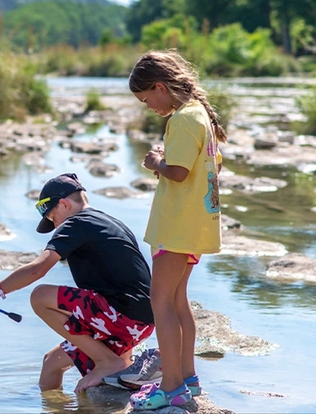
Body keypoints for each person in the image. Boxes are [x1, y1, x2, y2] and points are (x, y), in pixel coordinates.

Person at [0, 173, 155, 394]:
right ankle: (107, 372)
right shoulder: (108, 221)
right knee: (52, 362)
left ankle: (108, 362)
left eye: (53, 218)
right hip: (140, 321)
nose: (54, 225)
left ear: (64, 204)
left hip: (120, 313)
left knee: (40, 296)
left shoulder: (76, 223)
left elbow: (37, 269)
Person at [125, 49, 226, 410]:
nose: (147, 105)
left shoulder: (183, 119)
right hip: (195, 225)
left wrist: (157, 161)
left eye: (145, 98)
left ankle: (170, 388)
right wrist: (166, 161)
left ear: (160, 86)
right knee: (178, 300)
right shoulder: (200, 115)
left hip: (178, 227)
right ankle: (188, 379)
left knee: (161, 302)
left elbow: (179, 172)